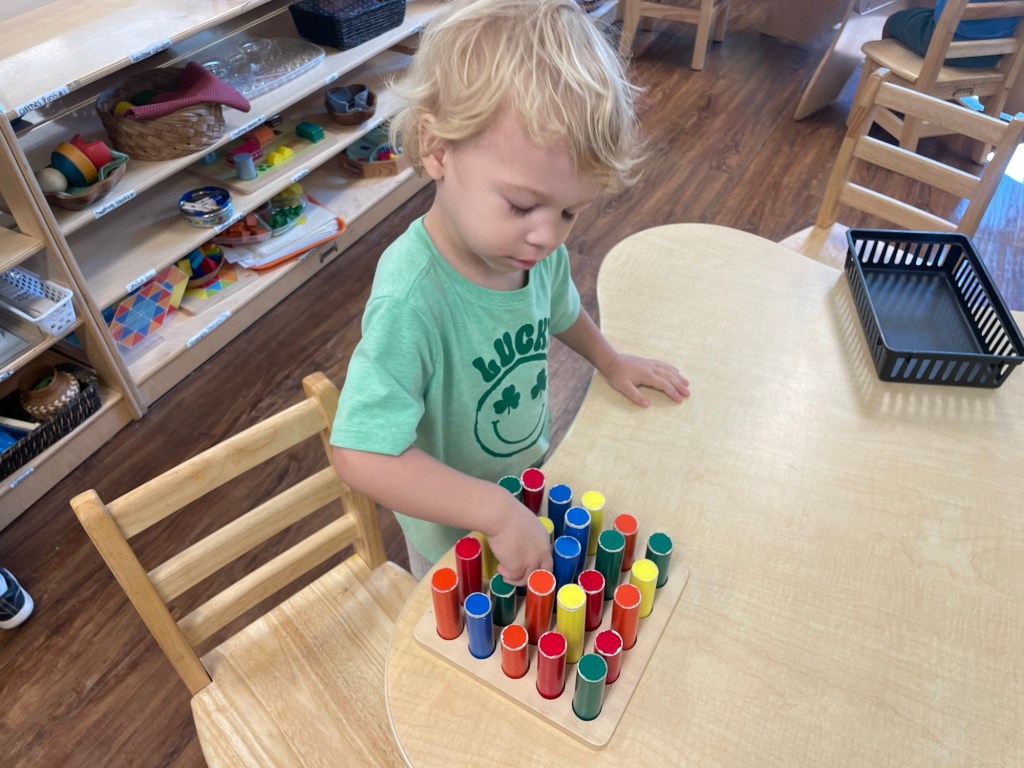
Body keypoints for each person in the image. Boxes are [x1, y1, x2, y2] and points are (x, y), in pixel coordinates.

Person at [330, 0, 690, 583]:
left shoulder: (530, 252)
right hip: (453, 537)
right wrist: (491, 511)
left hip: (523, 488)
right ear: (437, 149)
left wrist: (610, 360)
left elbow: (560, 310)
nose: (548, 235)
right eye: (522, 205)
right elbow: (361, 452)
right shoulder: (411, 297)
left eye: (569, 212)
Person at [883, 0, 1019, 68]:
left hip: (946, 47)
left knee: (893, 21)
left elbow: (942, 16)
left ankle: (886, 92)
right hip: (991, 56)